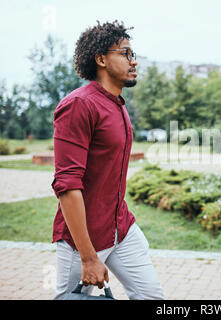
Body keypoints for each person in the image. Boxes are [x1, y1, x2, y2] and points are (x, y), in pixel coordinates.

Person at [51, 20, 164, 300]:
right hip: (83, 241)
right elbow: (67, 185)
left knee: (151, 296)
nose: (133, 61)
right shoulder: (79, 105)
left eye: (133, 54)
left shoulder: (118, 105)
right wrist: (88, 258)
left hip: (121, 229)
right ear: (101, 59)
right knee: (69, 299)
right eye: (125, 53)